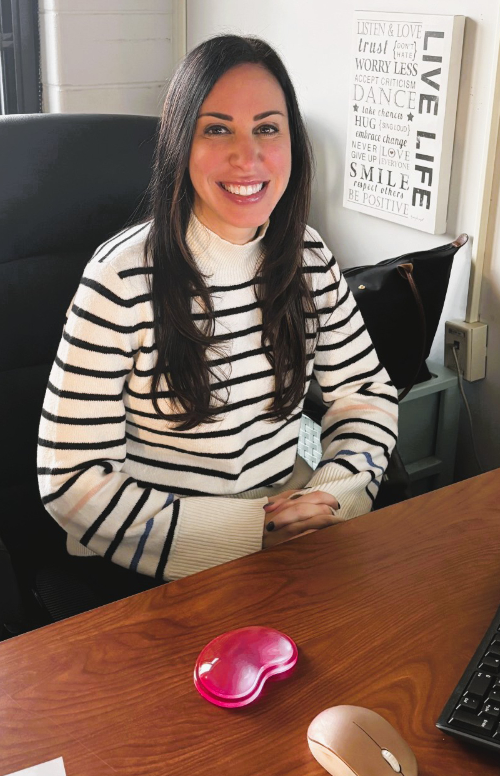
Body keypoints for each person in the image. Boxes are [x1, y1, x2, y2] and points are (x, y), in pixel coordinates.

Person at [37, 35, 398, 596]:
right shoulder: (121, 278)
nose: (247, 156)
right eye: (217, 128)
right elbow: (72, 481)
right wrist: (247, 533)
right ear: (180, 144)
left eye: (268, 128)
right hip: (159, 565)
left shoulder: (307, 257)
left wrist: (331, 495)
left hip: (292, 535)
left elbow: (365, 394)